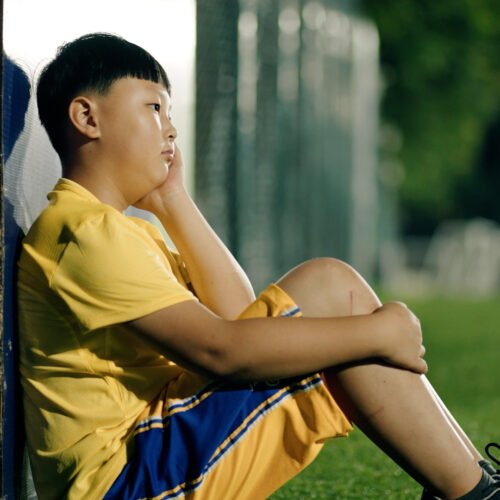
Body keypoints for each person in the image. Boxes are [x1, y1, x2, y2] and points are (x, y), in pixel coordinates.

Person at [17, 33, 499, 500]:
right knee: (332, 291)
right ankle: (475, 491)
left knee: (329, 291)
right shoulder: (82, 232)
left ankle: (475, 483)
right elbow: (222, 351)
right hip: (127, 480)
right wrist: (377, 334)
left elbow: (236, 313)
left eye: (171, 111)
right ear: (87, 117)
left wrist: (173, 200)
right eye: (154, 107)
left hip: (151, 453)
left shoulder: (119, 231)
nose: (171, 129)